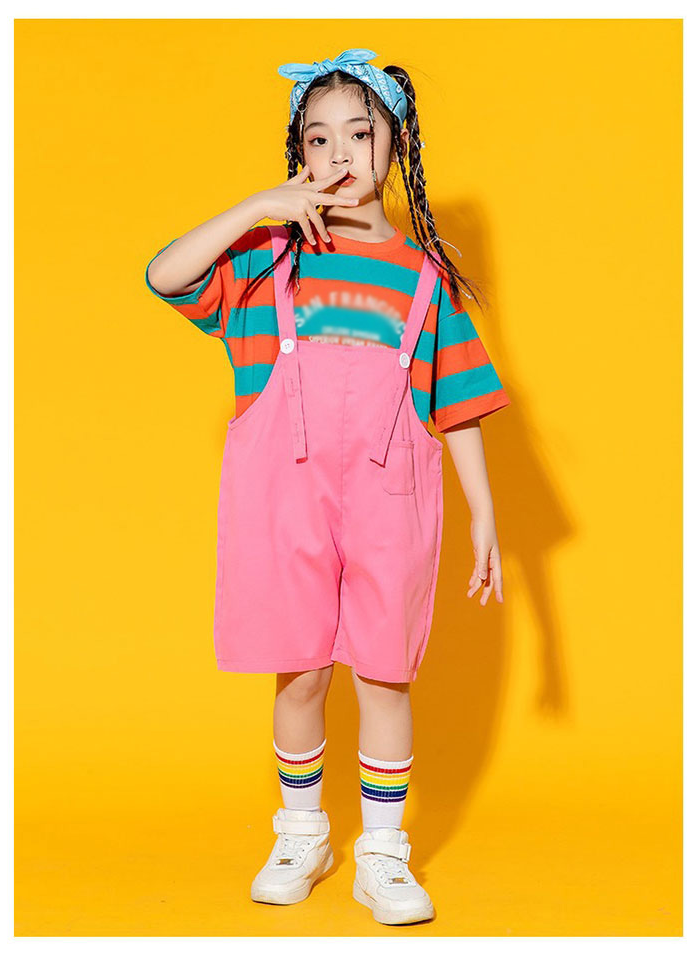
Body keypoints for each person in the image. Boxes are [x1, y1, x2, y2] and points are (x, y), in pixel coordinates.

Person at [145, 48, 511, 927]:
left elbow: (459, 405)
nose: (339, 154)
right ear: (298, 154)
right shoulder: (267, 260)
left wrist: (484, 514)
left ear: (395, 146)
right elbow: (164, 274)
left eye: (360, 134)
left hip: (392, 498)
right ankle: (301, 833)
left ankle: (382, 854)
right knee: (301, 667)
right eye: (318, 139)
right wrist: (256, 207)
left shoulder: (425, 277)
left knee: (385, 673)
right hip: (285, 499)